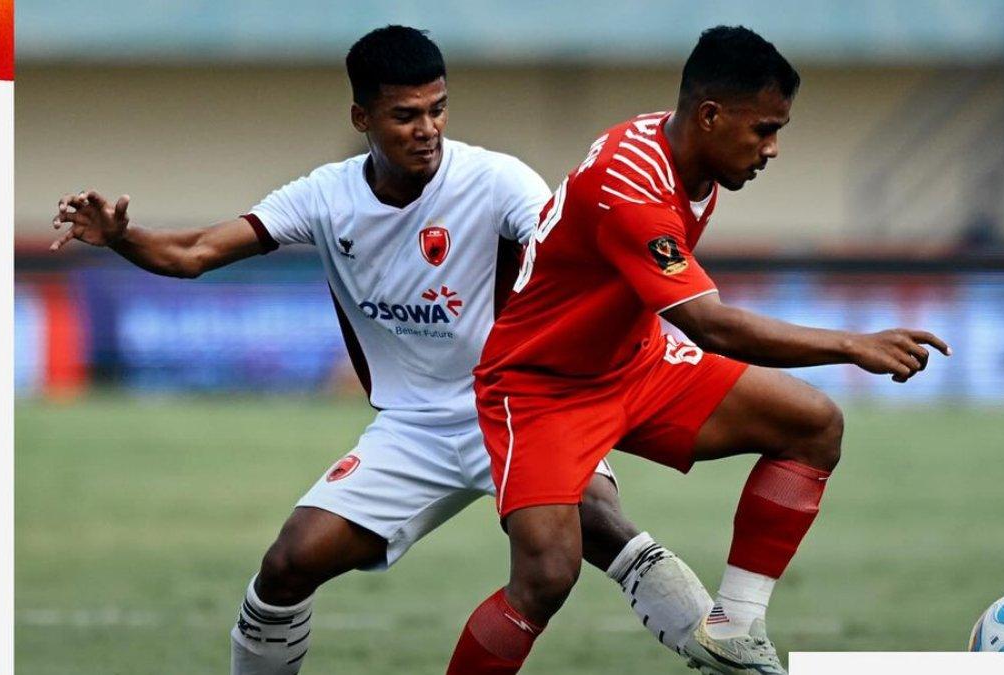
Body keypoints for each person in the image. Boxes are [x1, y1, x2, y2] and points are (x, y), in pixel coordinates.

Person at [51, 25, 719, 675]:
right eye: (405, 115)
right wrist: (123, 236)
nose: (427, 129)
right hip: (414, 426)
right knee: (287, 565)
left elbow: (571, 247)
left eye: (438, 109)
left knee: (600, 523)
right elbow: (196, 252)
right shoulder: (324, 196)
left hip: (521, 405)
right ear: (361, 117)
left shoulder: (498, 182)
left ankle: (736, 649)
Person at [451, 25, 952, 675]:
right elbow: (710, 325)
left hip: (633, 363)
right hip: (541, 386)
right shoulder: (632, 185)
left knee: (812, 423)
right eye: (764, 129)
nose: (772, 149)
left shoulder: (694, 158)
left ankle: (735, 627)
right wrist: (851, 343)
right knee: (546, 575)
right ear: (710, 116)